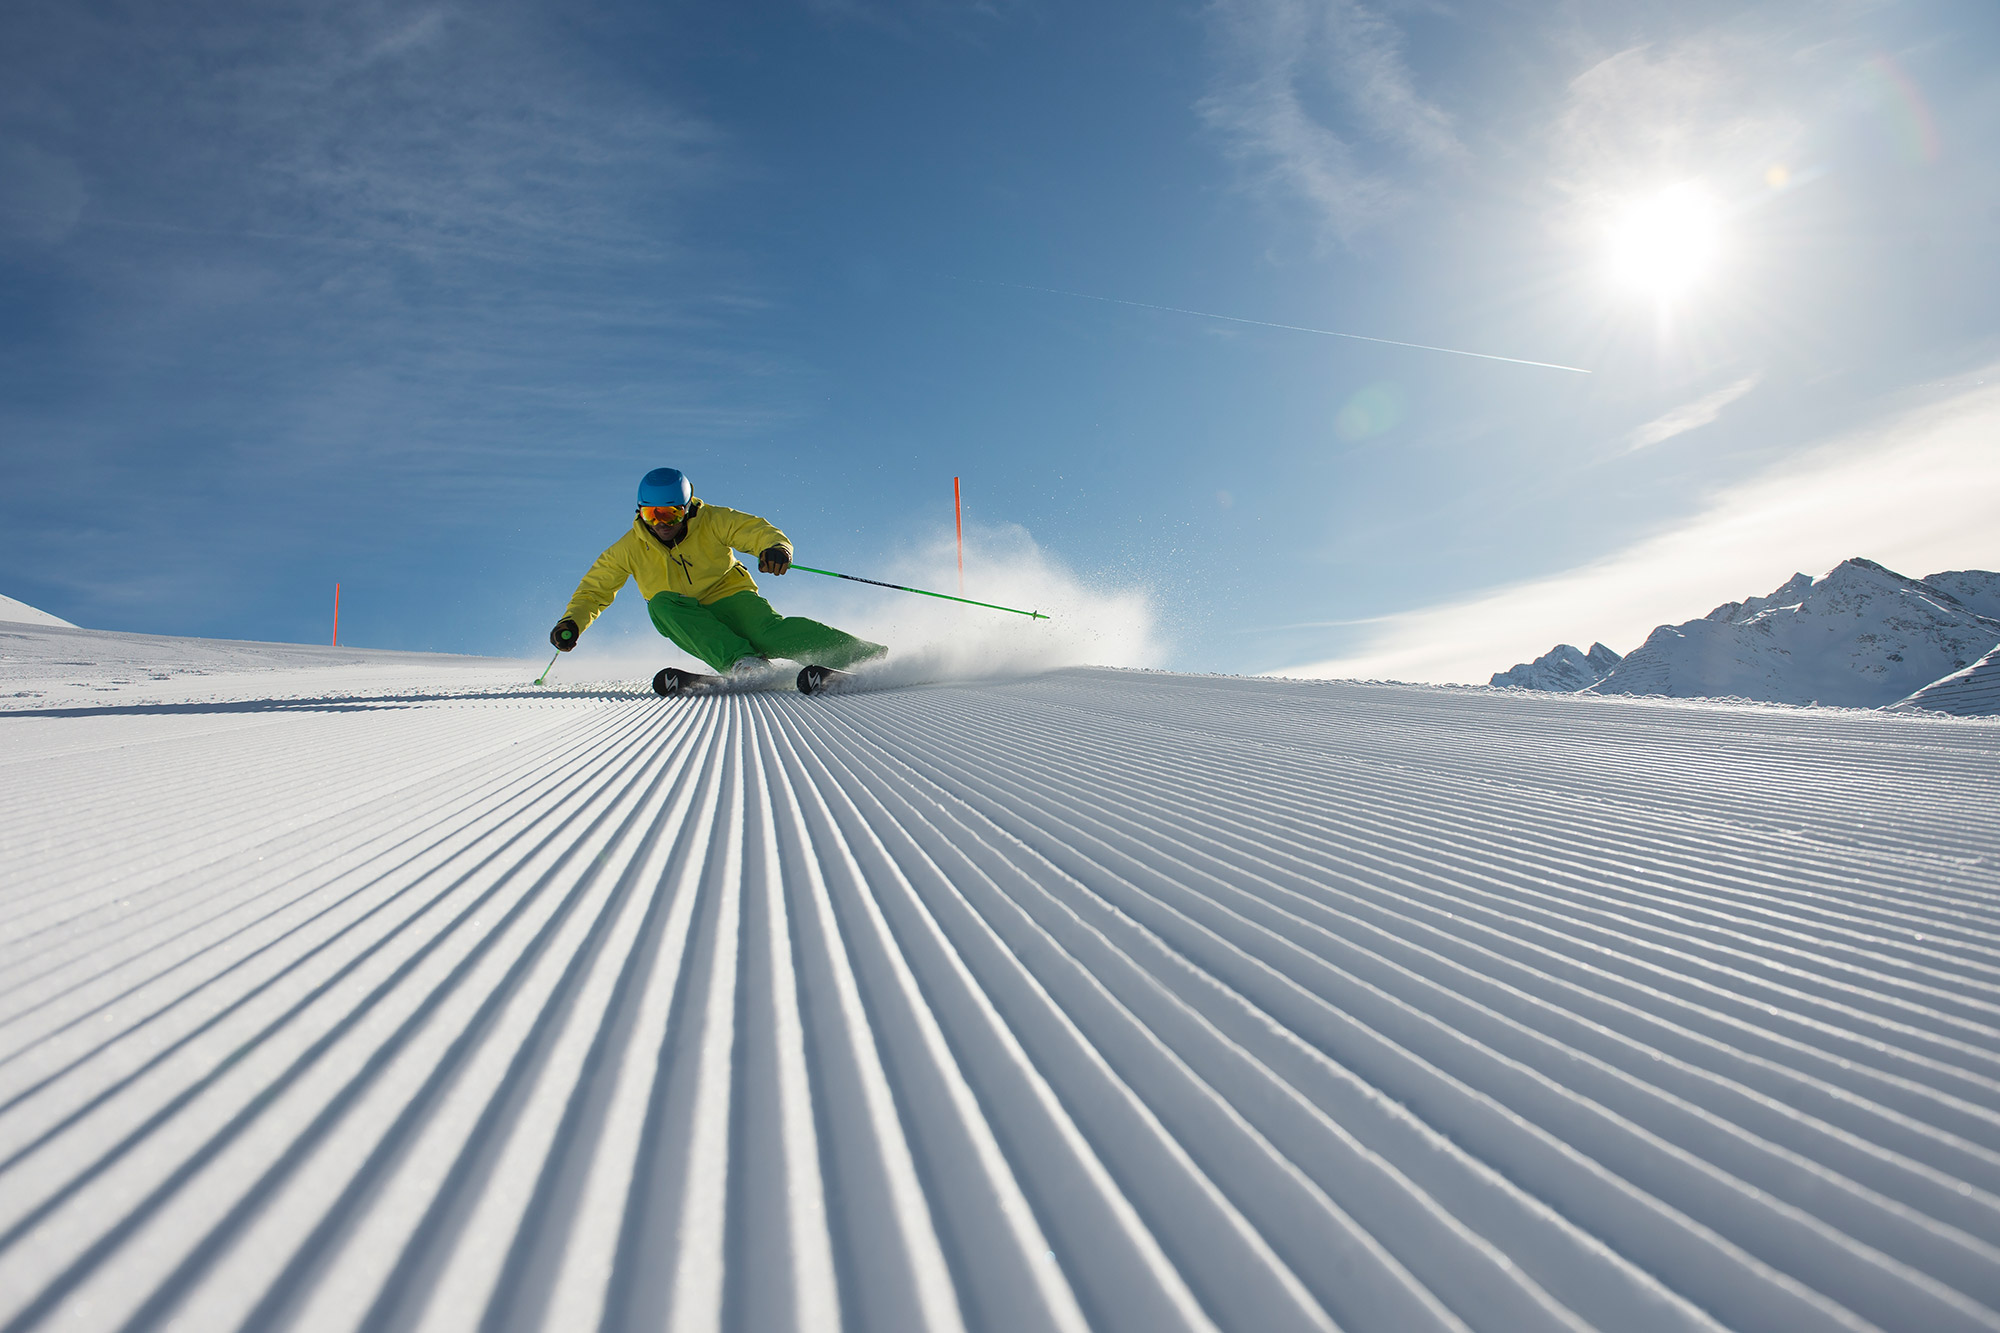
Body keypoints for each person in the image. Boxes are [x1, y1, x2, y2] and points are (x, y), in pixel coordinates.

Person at [548, 467, 884, 677]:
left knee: (770, 635)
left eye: (671, 514)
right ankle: (743, 663)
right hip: (682, 611)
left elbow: (753, 530)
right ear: (640, 513)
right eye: (653, 515)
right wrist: (572, 622)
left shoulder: (711, 520)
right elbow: (596, 590)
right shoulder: (628, 548)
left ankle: (863, 655)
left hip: (730, 595)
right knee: (659, 604)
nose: (662, 524)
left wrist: (775, 549)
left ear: (688, 508)